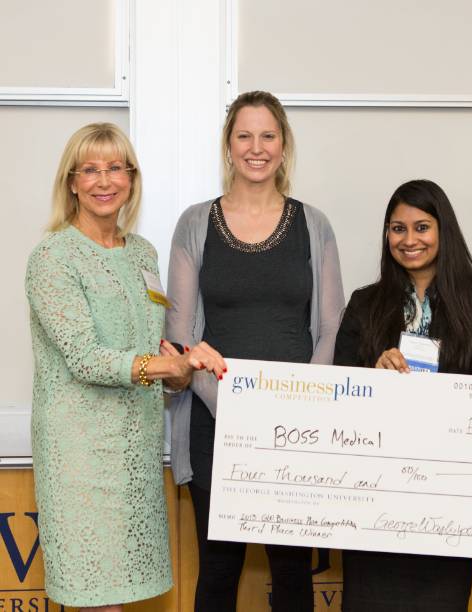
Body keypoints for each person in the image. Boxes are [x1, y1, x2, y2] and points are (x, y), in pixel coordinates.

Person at [25, 123, 226, 611]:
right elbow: (85, 357)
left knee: (119, 599)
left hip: (134, 452)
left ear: (131, 179)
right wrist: (170, 363)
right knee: (96, 597)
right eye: (89, 169)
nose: (103, 180)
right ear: (71, 182)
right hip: (79, 454)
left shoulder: (143, 254)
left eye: (116, 168)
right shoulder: (53, 257)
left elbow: (149, 347)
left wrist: (182, 367)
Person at [165, 91, 345, 611]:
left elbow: (331, 326)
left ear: (284, 146)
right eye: (244, 135)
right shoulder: (195, 223)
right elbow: (180, 337)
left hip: (296, 431)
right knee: (218, 570)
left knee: (292, 572)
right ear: (228, 146)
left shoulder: (314, 224)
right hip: (214, 424)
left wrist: (292, 411)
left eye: (268, 135)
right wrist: (241, 413)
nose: (256, 147)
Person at [334, 179, 472, 612]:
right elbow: (337, 390)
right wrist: (372, 377)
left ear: (443, 231)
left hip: (449, 500)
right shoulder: (364, 304)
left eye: (421, 227)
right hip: (373, 498)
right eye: (397, 229)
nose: (409, 239)